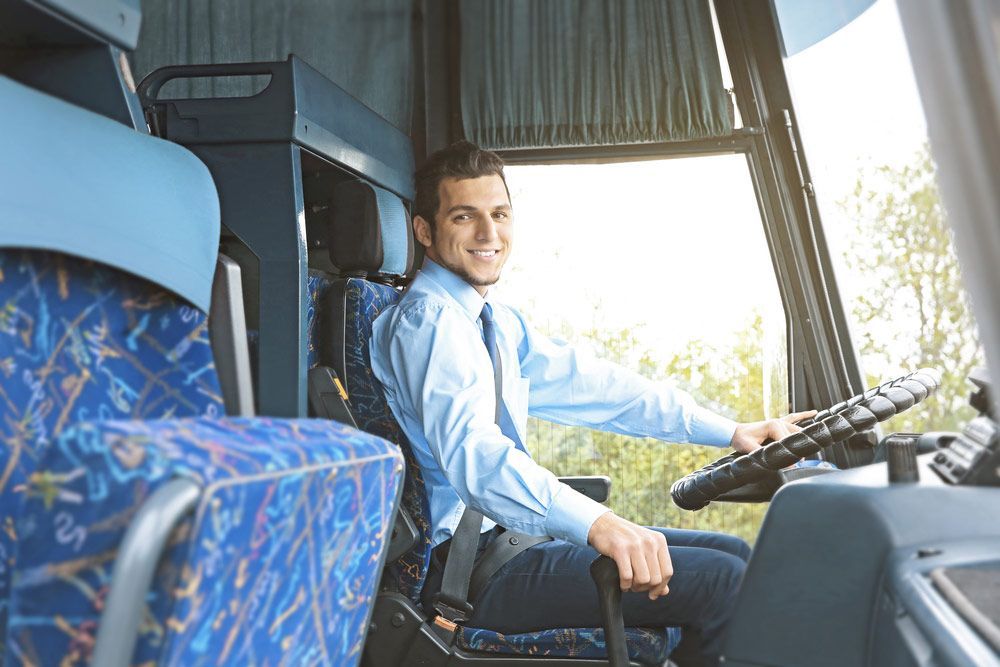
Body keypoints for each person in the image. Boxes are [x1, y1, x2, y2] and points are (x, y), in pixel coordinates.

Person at [370, 141, 813, 665]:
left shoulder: (491, 322)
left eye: (500, 215)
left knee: (735, 556)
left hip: (507, 540)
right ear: (425, 231)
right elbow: (477, 458)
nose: (489, 235)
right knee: (725, 580)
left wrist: (728, 430)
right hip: (466, 569)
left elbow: (599, 390)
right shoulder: (431, 324)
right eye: (465, 217)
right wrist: (599, 524)